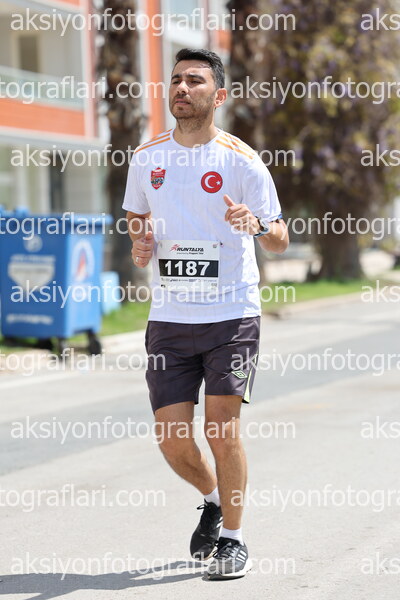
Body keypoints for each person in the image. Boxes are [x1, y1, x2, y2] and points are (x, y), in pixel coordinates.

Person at [123, 48, 289, 580]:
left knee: (222, 429)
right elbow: (137, 216)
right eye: (176, 79)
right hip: (170, 317)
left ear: (218, 96)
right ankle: (214, 499)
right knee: (172, 440)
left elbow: (280, 237)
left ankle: (234, 540)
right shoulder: (147, 157)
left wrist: (254, 224)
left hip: (231, 315)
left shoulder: (242, 160)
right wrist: (141, 243)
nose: (181, 88)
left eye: (195, 81)